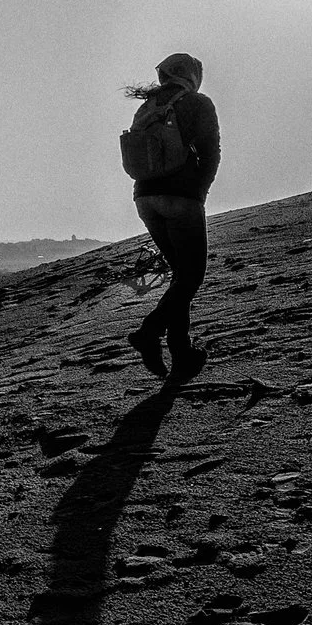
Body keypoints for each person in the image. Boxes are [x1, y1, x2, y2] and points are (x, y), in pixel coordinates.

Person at [125, 53, 221, 381]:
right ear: (192, 75)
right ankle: (149, 332)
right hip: (181, 198)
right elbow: (211, 152)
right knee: (191, 276)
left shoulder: (147, 107)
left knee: (180, 276)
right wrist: (200, 191)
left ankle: (182, 354)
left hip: (145, 199)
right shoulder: (198, 103)